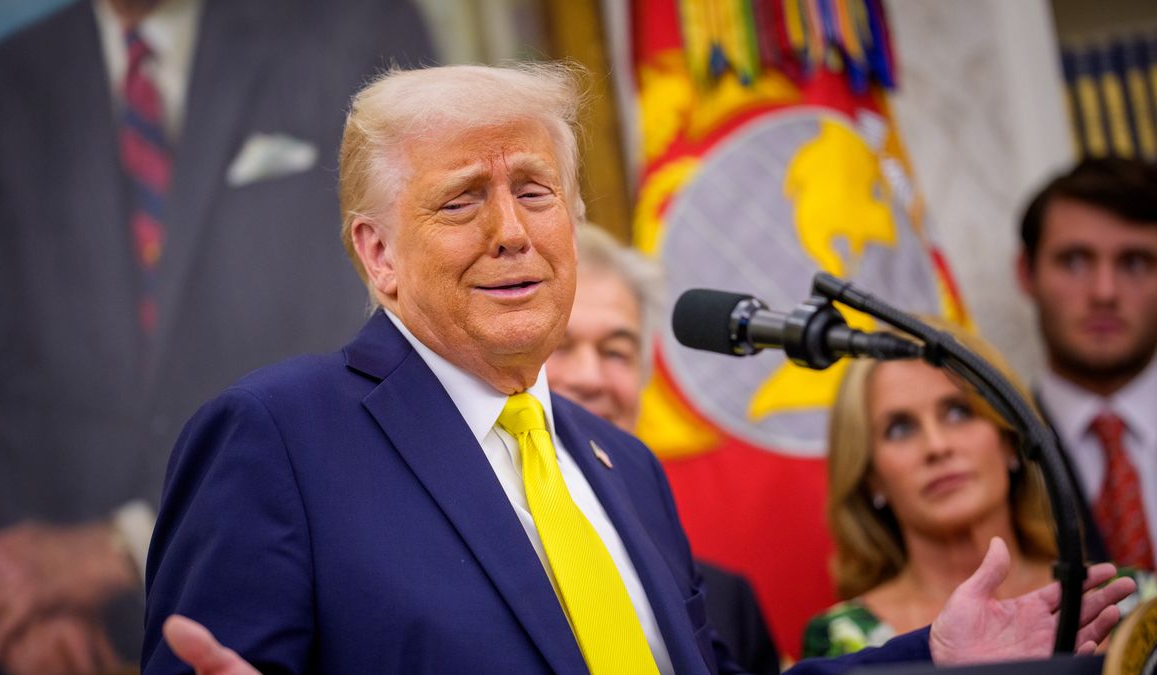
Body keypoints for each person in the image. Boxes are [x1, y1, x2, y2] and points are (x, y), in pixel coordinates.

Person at [142, 63, 1134, 674]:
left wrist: (934, 661)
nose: (511, 232)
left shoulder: (622, 464)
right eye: (459, 202)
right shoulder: (277, 437)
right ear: (378, 255)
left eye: (534, 191)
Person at [0, 0, 431, 671]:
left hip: (300, 543)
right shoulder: (6, 79)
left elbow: (397, 317)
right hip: (68, 615)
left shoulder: (355, 28)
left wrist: (130, 540)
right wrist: (20, 596)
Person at [547, 222, 781, 673]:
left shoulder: (727, 605)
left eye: (616, 352)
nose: (590, 378)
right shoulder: (462, 576)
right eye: (560, 345)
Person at [802, 322, 1063, 657]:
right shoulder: (841, 640)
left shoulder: (1126, 600)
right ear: (871, 478)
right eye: (899, 429)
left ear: (1011, 440)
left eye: (958, 412)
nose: (936, 446)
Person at [1016, 157, 1157, 571]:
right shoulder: (995, 451)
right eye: (1075, 261)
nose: (1104, 292)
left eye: (1134, 262)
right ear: (1026, 273)